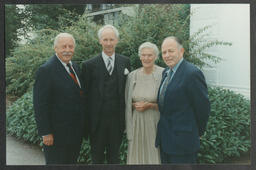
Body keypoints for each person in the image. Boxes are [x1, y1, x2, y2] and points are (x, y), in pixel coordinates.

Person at [155, 36, 210, 164]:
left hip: (183, 143)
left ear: (181, 51)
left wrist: (198, 132)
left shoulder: (192, 73)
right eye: (164, 52)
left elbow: (203, 108)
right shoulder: (166, 72)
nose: (167, 55)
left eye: (171, 51)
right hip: (165, 140)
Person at [33, 33, 86, 164]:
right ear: (55, 48)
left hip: (74, 133)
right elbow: (40, 104)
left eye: (71, 46)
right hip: (56, 135)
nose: (67, 50)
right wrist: (46, 133)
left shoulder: (75, 67)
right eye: (64, 47)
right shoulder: (46, 70)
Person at [81, 24, 130, 164]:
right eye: (105, 39)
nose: (108, 43)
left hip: (117, 121)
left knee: (115, 157)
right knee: (96, 157)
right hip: (97, 122)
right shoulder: (88, 65)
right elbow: (84, 97)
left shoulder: (125, 61)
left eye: (111, 39)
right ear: (100, 41)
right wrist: (86, 124)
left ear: (117, 41)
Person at [125, 42, 164, 164]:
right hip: (136, 123)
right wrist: (134, 105)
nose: (146, 58)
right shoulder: (132, 76)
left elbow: (169, 103)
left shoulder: (164, 74)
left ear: (156, 57)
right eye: (143, 55)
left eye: (150, 55)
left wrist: (149, 105)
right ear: (139, 56)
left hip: (155, 122)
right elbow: (126, 101)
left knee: (154, 152)